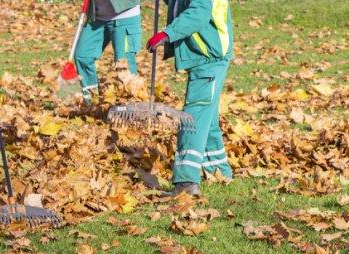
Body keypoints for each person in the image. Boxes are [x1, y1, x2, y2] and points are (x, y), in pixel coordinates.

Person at [147, 0, 233, 196]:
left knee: (192, 118)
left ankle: (186, 182)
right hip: (206, 56)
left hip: (210, 58)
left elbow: (199, 12)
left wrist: (167, 34)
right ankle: (218, 170)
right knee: (206, 119)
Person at [74, 0, 142, 103]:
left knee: (123, 64)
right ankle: (91, 103)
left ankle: (132, 107)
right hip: (97, 17)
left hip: (125, 16)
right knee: (83, 56)